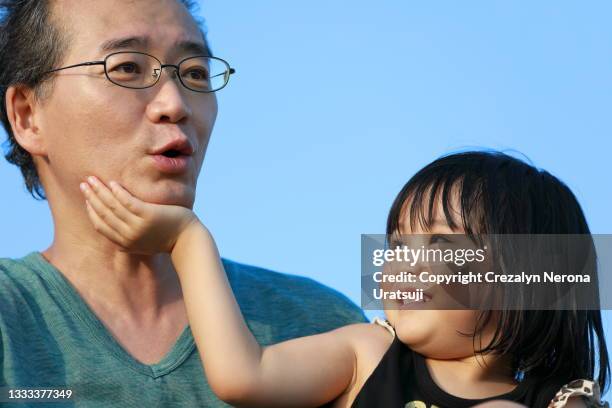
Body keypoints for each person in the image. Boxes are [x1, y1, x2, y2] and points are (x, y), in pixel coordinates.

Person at [0, 0, 365, 406]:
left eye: (194, 73)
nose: (175, 104)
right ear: (27, 116)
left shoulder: (324, 327)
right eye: (126, 68)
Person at [80, 150, 608, 407]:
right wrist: (189, 241)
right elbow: (244, 375)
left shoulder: (563, 400)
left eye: (443, 245)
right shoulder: (365, 356)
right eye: (398, 245)